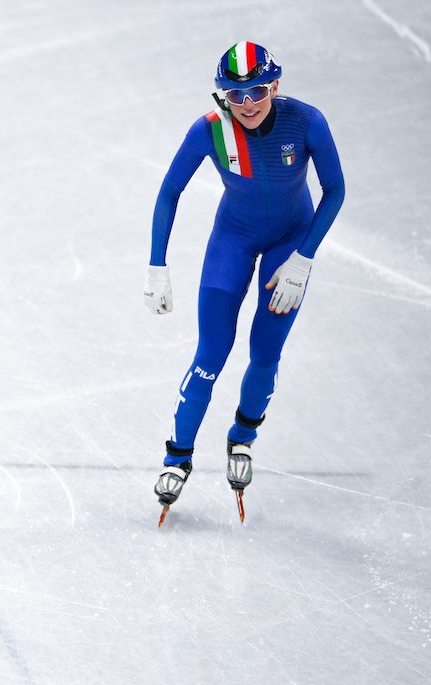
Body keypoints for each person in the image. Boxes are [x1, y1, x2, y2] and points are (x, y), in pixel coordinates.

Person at [144, 42, 345, 523]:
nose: (248, 103)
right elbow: (170, 191)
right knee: (211, 354)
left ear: (274, 86)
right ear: (223, 97)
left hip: (289, 245)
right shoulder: (211, 131)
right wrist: (157, 265)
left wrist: (303, 260)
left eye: (257, 91)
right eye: (236, 95)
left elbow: (335, 191)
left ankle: (244, 435)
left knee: (265, 352)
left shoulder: (307, 122)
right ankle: (178, 455)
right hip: (231, 242)